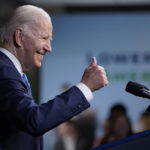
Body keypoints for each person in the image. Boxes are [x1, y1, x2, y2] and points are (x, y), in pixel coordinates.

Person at [0, 5, 108, 150]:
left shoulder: (10, 72)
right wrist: (85, 87)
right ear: (20, 37)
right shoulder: (4, 72)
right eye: (44, 38)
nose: (49, 48)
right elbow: (34, 120)